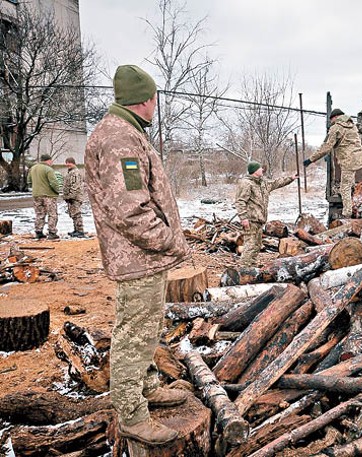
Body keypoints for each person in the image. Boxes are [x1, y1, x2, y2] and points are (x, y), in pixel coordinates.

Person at [84, 65, 191, 445]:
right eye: (155, 98)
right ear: (146, 99)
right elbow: (130, 209)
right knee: (134, 334)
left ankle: (146, 386)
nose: (156, 105)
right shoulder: (120, 140)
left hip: (142, 256)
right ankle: (131, 413)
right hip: (138, 256)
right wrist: (170, 240)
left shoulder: (125, 133)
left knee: (144, 329)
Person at [304, 108, 362, 217]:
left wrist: (311, 159)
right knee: (350, 179)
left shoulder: (336, 127)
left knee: (344, 188)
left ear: (335, 117)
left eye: (331, 119)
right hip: (359, 157)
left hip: (349, 160)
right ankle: (354, 198)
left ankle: (347, 213)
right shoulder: (352, 125)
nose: (331, 122)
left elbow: (326, 147)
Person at [234, 161, 297, 267]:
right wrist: (243, 218)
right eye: (259, 169)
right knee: (250, 245)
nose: (262, 170)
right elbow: (240, 201)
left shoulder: (262, 183)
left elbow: (276, 183)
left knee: (257, 245)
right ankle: (244, 269)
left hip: (259, 220)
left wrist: (291, 178)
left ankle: (251, 267)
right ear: (254, 171)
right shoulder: (246, 183)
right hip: (250, 220)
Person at [27, 154, 60, 240]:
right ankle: (52, 232)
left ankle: (38, 232)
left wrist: (36, 188)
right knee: (52, 214)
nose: (51, 162)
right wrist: (57, 191)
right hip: (48, 195)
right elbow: (54, 183)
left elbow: (29, 181)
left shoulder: (33, 168)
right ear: (48, 160)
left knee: (39, 214)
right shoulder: (48, 169)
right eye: (51, 160)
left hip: (36, 195)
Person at [63, 157, 85, 238]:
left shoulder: (75, 172)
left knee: (77, 214)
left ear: (72, 163)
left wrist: (70, 196)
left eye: (68, 163)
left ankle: (80, 231)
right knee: (73, 214)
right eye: (66, 163)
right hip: (72, 197)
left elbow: (75, 186)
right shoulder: (71, 172)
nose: (67, 164)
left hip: (75, 198)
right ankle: (76, 230)